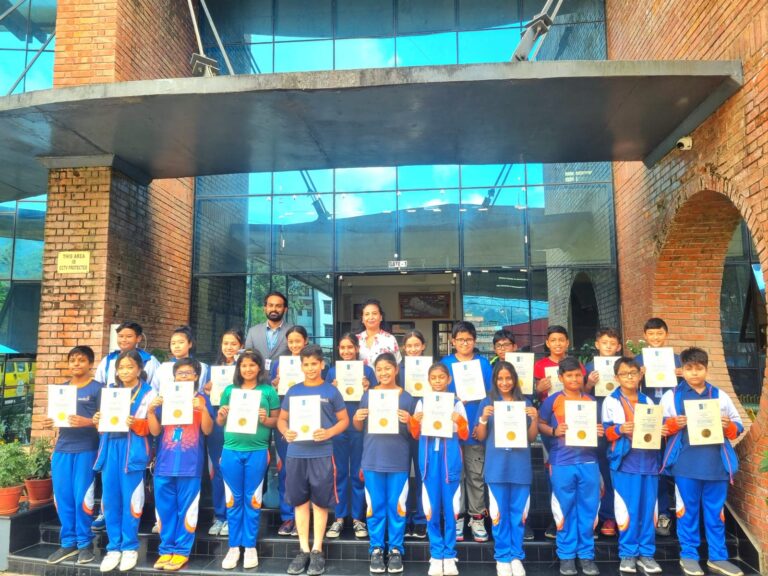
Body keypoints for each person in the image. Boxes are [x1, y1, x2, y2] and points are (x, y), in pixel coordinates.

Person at [660, 347, 744, 576]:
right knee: (686, 512)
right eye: (689, 368)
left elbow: (738, 426)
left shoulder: (719, 395)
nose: (694, 373)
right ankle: (689, 555)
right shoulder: (672, 396)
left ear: (706, 369)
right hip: (685, 465)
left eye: (699, 368)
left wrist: (728, 425)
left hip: (716, 464)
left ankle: (718, 557)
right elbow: (658, 427)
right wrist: (674, 424)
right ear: (682, 370)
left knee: (716, 514)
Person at [278, 344, 349, 576]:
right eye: (306, 364)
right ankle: (303, 550)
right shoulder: (293, 391)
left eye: (314, 364)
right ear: (301, 366)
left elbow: (344, 421)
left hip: (322, 453)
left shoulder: (331, 391)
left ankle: (317, 549)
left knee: (320, 502)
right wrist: (286, 431)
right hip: (296, 453)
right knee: (300, 502)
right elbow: (281, 419)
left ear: (322, 364)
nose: (310, 368)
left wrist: (329, 433)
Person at [538, 357, 604, 576]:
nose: (574, 379)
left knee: (588, 508)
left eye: (577, 375)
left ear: (583, 376)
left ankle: (586, 555)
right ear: (561, 377)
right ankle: (566, 556)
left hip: (588, 461)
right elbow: (540, 424)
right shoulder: (553, 400)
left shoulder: (591, 401)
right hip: (562, 462)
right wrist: (554, 431)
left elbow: (599, 429)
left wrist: (600, 431)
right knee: (564, 508)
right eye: (569, 375)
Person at [216, 350, 281, 570]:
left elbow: (276, 422)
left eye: (252, 365)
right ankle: (234, 546)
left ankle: (250, 546)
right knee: (233, 500)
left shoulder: (268, 391)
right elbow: (219, 421)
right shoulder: (229, 390)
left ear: (259, 367)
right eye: (243, 365)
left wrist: (266, 419)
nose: (248, 369)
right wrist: (222, 415)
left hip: (258, 450)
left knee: (252, 499)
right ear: (238, 368)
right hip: (231, 450)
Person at [148, 359, 215, 571]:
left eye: (189, 373)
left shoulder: (202, 399)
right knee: (165, 509)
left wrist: (203, 410)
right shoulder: (165, 398)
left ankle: (182, 551)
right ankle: (166, 549)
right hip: (164, 464)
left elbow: (208, 430)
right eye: (180, 373)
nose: (184, 376)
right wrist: (150, 411)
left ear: (196, 376)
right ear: (174, 377)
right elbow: (155, 431)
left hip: (190, 464)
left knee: (187, 509)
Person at [92, 350, 155, 573]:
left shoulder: (149, 393)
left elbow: (153, 428)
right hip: (110, 449)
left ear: (139, 369)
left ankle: (129, 547)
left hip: (133, 450)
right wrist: (97, 420)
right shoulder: (111, 392)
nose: (125, 371)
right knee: (111, 500)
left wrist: (136, 423)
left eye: (130, 367)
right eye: (121, 368)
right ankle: (113, 548)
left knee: (131, 500)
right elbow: (103, 427)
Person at [601, 357, 665, 575]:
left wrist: (662, 431)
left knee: (648, 510)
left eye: (633, 373)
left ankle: (646, 553)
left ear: (640, 375)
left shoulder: (649, 401)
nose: (629, 377)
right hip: (624, 463)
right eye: (624, 373)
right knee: (627, 510)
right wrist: (620, 430)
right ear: (616, 377)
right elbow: (606, 433)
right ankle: (628, 553)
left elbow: (656, 429)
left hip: (649, 462)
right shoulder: (611, 401)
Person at [474, 361, 538, 576]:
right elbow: (480, 437)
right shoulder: (487, 402)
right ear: (494, 380)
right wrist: (484, 418)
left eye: (508, 378)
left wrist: (535, 418)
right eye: (500, 378)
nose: (504, 382)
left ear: (515, 380)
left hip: (520, 467)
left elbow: (531, 438)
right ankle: (502, 556)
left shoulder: (524, 403)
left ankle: (516, 555)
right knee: (498, 514)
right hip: (496, 467)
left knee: (518, 514)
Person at [353, 353, 414, 574]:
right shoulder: (368, 395)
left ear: (396, 370)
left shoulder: (407, 397)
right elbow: (359, 428)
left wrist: (410, 421)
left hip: (398, 461)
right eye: (379, 369)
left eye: (388, 368)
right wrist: (357, 417)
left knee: (397, 506)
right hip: (372, 459)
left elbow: (415, 433)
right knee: (375, 506)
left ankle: (396, 549)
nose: (383, 373)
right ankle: (376, 549)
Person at [42, 346, 103, 566]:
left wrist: (88, 422)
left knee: (82, 498)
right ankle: (68, 543)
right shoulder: (62, 390)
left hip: (87, 449)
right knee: (63, 498)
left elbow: (107, 423)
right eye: (73, 360)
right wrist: (49, 422)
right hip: (62, 449)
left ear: (91, 364)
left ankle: (85, 544)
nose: (76, 364)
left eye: (82, 360)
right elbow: (56, 419)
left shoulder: (98, 389)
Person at [409, 363, 468, 576]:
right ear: (428, 380)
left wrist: (459, 421)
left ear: (448, 379)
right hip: (428, 462)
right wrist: (414, 422)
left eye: (441, 377)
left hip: (449, 460)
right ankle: (436, 554)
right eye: (433, 377)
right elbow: (415, 434)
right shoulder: (422, 402)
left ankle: (450, 554)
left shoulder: (456, 403)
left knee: (451, 509)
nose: (437, 381)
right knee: (431, 508)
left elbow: (465, 434)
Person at [440, 321, 492, 543]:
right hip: (451, 432)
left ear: (474, 340)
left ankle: (477, 518)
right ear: (453, 341)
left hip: (474, 432)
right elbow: (437, 393)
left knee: (475, 476)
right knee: (454, 476)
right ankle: (457, 517)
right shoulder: (445, 364)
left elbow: (490, 395)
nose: (464, 343)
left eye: (468, 339)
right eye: (460, 339)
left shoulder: (483, 364)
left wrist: (480, 424)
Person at [633, 317, 682, 537]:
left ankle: (677, 513)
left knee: (674, 463)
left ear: (666, 334)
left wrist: (682, 376)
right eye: (651, 334)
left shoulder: (677, 360)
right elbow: (628, 387)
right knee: (653, 465)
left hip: (673, 417)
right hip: (648, 418)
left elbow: (688, 387)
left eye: (659, 333)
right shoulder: (637, 361)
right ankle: (658, 512)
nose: (655, 337)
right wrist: (638, 376)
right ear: (645, 336)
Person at [325, 333, 376, 541]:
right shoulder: (332, 372)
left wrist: (368, 389)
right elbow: (324, 399)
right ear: (338, 349)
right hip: (337, 427)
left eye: (350, 347)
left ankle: (357, 518)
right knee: (338, 472)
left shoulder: (367, 371)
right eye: (342, 347)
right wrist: (331, 389)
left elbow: (378, 398)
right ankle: (338, 517)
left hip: (358, 427)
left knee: (357, 473)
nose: (346, 351)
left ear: (357, 348)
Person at [270, 325, 310, 537]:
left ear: (306, 341)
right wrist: (275, 383)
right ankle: (288, 516)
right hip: (285, 421)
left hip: (309, 421)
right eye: (291, 341)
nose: (294, 345)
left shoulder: (313, 362)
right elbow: (271, 392)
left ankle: (305, 516)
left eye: (298, 341)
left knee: (307, 471)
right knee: (286, 469)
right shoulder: (279, 364)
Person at [204, 329, 244, 537]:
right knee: (218, 470)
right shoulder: (213, 370)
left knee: (235, 470)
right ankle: (220, 515)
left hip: (240, 424)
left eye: (234, 344)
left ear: (241, 346)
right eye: (225, 343)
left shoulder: (245, 368)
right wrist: (207, 391)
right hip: (217, 422)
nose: (229, 347)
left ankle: (233, 516)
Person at [583, 328, 623, 538]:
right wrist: (589, 383)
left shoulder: (625, 367)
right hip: (595, 426)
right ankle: (593, 517)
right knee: (594, 472)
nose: (608, 346)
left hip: (619, 427)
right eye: (604, 342)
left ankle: (611, 516)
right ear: (597, 344)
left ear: (619, 347)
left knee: (614, 470)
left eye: (612, 343)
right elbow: (579, 396)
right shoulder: (588, 368)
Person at [399, 330, 429, 540]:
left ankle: (420, 519)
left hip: (425, 425)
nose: (412, 349)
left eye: (416, 345)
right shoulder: (396, 369)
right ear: (403, 348)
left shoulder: (431, 368)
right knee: (400, 474)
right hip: (400, 426)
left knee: (421, 474)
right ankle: (402, 517)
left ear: (423, 346)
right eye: (409, 346)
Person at [534, 325, 585, 403]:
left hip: (572, 404)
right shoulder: (540, 365)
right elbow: (537, 395)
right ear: (547, 343)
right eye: (553, 340)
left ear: (567, 342)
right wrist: (539, 389)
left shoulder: (576, 364)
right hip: (548, 406)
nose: (557, 343)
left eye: (561, 340)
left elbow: (582, 390)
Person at [245, 291, 293, 371]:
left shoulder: (293, 331)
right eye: (270, 305)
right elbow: (247, 357)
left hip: (284, 376)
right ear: (265, 308)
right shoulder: (253, 332)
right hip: (259, 377)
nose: (274, 309)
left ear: (285, 309)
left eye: (278, 306)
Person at [154, 326, 210, 392]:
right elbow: (154, 390)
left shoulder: (202, 367)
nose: (176, 346)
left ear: (190, 344)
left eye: (181, 342)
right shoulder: (163, 368)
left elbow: (206, 391)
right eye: (173, 343)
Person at [357, 299, 402, 365]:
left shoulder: (390, 339)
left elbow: (397, 365)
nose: (371, 317)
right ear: (362, 319)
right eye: (367, 314)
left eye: (374, 313)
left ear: (381, 317)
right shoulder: (356, 340)